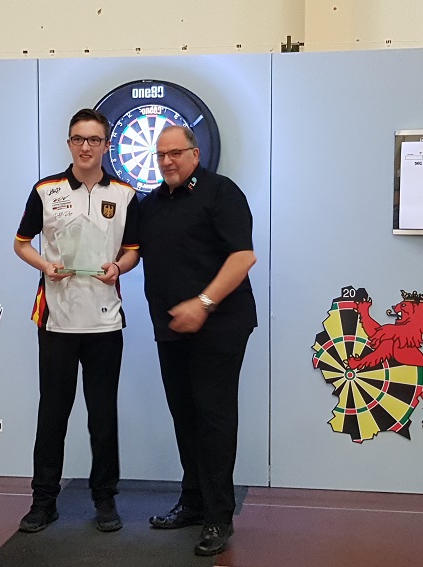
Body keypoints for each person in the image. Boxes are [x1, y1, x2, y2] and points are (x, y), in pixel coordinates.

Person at [13, 108, 139, 534]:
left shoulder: (124, 193)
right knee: (53, 414)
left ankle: (105, 499)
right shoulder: (45, 190)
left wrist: (118, 268)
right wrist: (45, 266)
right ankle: (43, 501)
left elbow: (133, 251)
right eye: (78, 139)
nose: (86, 147)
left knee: (103, 417)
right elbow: (21, 243)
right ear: (69, 143)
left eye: (94, 139)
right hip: (57, 322)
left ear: (106, 145)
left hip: (105, 323)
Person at [137, 125, 257, 556]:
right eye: (160, 155)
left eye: (175, 153)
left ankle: (219, 516)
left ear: (195, 153)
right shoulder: (151, 204)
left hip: (220, 326)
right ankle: (192, 502)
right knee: (184, 416)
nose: (167, 161)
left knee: (213, 418)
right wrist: (110, 267)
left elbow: (243, 256)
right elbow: (131, 251)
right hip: (172, 328)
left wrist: (203, 303)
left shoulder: (221, 193)